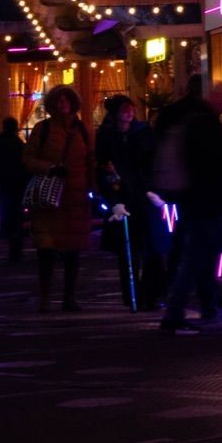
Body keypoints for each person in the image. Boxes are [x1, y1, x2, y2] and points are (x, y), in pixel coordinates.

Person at [159, 77, 222, 333]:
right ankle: (179, 310)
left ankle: (198, 305)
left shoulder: (187, 117)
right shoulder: (207, 121)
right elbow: (214, 163)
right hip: (206, 200)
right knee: (198, 255)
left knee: (199, 254)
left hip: (192, 198)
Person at [25, 88, 93, 313]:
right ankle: (45, 297)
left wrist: (93, 189)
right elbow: (28, 158)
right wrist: (50, 168)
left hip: (75, 198)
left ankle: (69, 297)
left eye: (66, 100)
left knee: (73, 251)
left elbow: (91, 161)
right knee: (46, 251)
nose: (63, 103)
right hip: (49, 198)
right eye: (59, 100)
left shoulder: (83, 130)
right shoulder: (43, 129)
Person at [96, 95, 156, 306]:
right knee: (127, 250)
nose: (129, 113)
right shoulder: (107, 135)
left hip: (143, 194)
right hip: (121, 195)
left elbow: (151, 161)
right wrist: (113, 197)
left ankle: (150, 293)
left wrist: (153, 188)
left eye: (131, 108)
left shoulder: (143, 132)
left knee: (149, 247)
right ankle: (132, 294)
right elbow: (103, 166)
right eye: (124, 109)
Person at [0, 116, 29, 264]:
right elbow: (25, 165)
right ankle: (16, 247)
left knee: (5, 210)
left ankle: (8, 234)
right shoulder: (18, 143)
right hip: (17, 184)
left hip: (1, 183)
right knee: (17, 216)